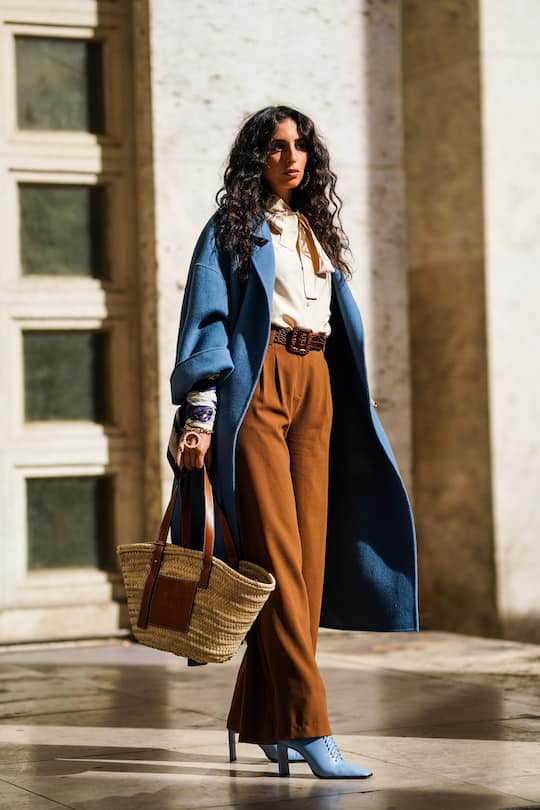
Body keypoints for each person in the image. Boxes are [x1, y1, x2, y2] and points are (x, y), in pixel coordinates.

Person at [169, 105, 419, 779]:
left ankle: (261, 721)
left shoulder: (313, 231)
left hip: (318, 391)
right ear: (256, 158)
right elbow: (208, 320)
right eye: (277, 147)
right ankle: (310, 726)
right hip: (259, 393)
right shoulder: (230, 231)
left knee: (305, 567)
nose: (292, 156)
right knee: (278, 560)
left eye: (301, 145)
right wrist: (198, 410)